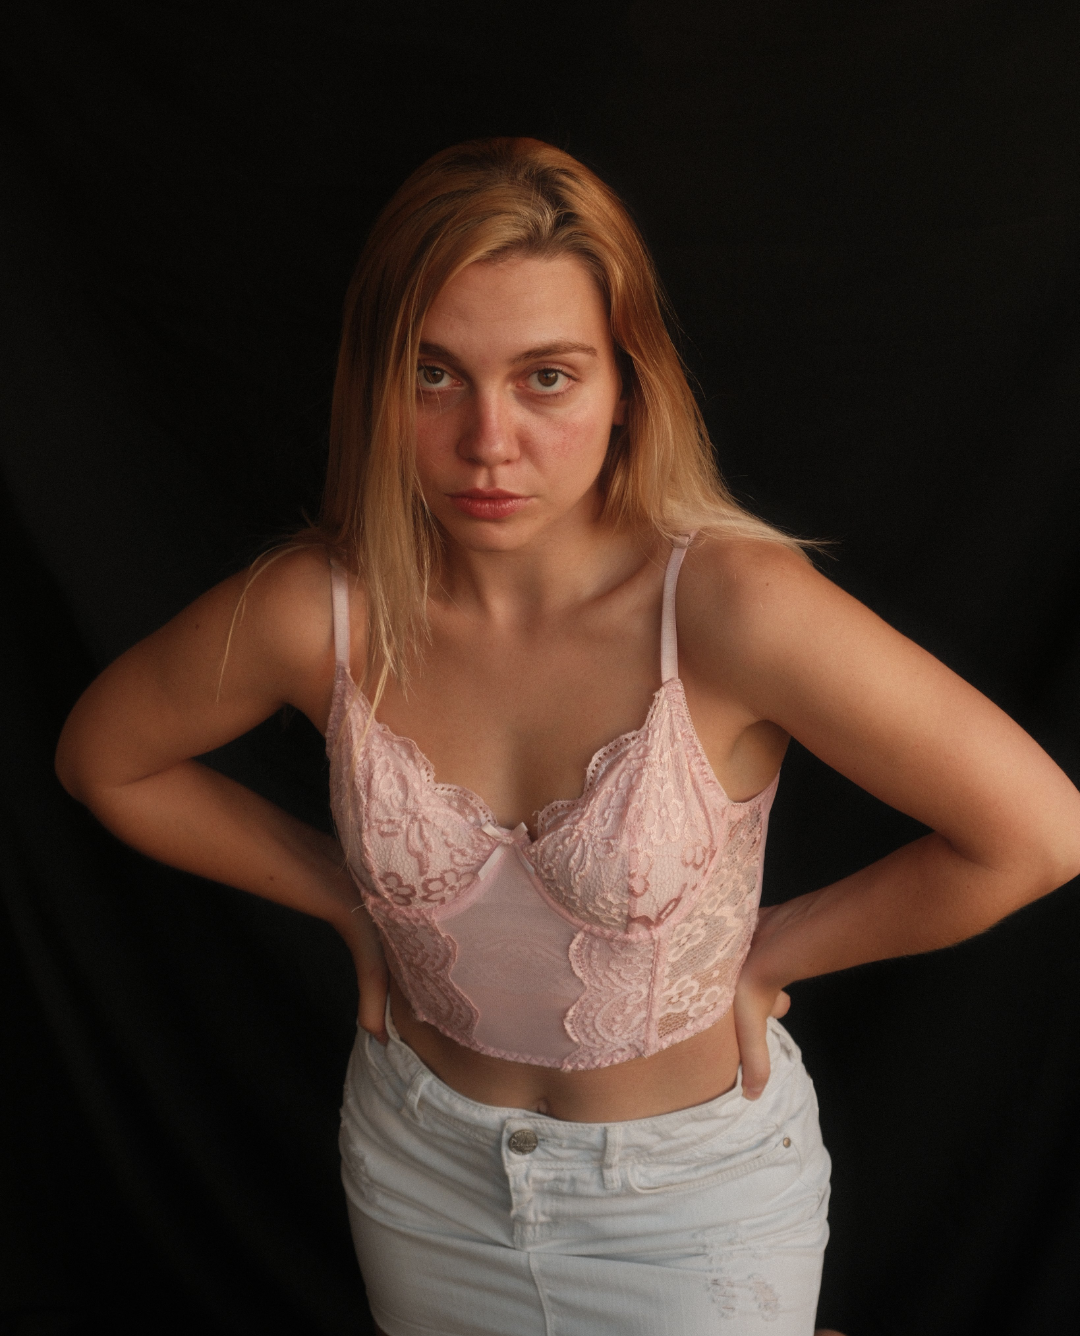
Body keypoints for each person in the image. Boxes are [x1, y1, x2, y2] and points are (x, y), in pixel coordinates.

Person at [55, 138, 1080, 1336]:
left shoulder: (728, 609)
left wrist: (773, 953)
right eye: (434, 374)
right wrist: (346, 900)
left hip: (689, 1203)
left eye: (546, 376)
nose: (488, 440)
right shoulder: (320, 612)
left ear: (628, 384)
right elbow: (104, 759)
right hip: (421, 1164)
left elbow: (1039, 832)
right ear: (375, 382)